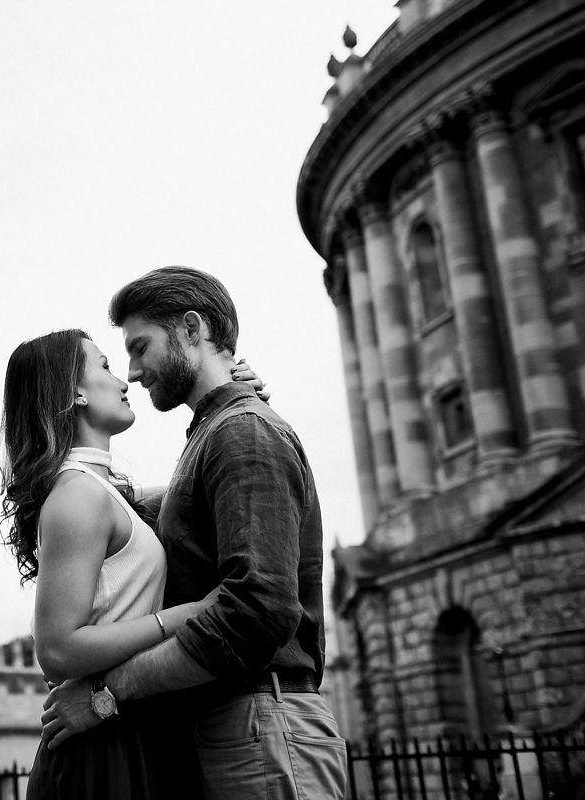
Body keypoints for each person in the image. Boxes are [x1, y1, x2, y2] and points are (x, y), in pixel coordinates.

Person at [39, 267, 348, 800]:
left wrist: (106, 693)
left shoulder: (241, 432)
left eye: (139, 348)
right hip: (238, 726)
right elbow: (125, 512)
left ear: (189, 329)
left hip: (263, 720)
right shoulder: (219, 434)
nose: (133, 373)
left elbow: (256, 612)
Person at [0, 328, 266, 800]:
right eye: (103, 365)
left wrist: (236, 399)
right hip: (102, 743)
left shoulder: (99, 492)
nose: (123, 379)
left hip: (128, 726)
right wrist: (179, 618)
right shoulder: (78, 494)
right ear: (74, 392)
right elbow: (57, 649)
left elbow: (197, 488)